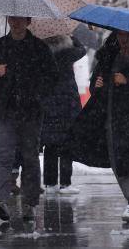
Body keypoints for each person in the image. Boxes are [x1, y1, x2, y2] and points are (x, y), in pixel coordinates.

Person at [67, 30, 129, 224]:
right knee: (117, 160)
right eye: (120, 35)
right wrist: (97, 84)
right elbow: (96, 85)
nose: (123, 39)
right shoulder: (108, 56)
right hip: (111, 117)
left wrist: (128, 81)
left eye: (128, 35)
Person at [0, 16, 57, 222]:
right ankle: (0, 201)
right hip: (5, 111)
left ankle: (30, 204)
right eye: (11, 19)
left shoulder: (39, 48)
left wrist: (37, 89)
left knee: (30, 157)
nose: (15, 23)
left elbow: (52, 77)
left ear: (28, 21)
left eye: (19, 19)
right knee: (5, 157)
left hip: (31, 112)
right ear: (7, 19)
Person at [40, 35, 86, 195]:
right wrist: (73, 37)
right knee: (67, 144)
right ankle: (65, 183)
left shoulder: (42, 50)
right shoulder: (68, 52)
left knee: (50, 145)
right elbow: (82, 50)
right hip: (67, 102)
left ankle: (50, 183)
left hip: (48, 102)